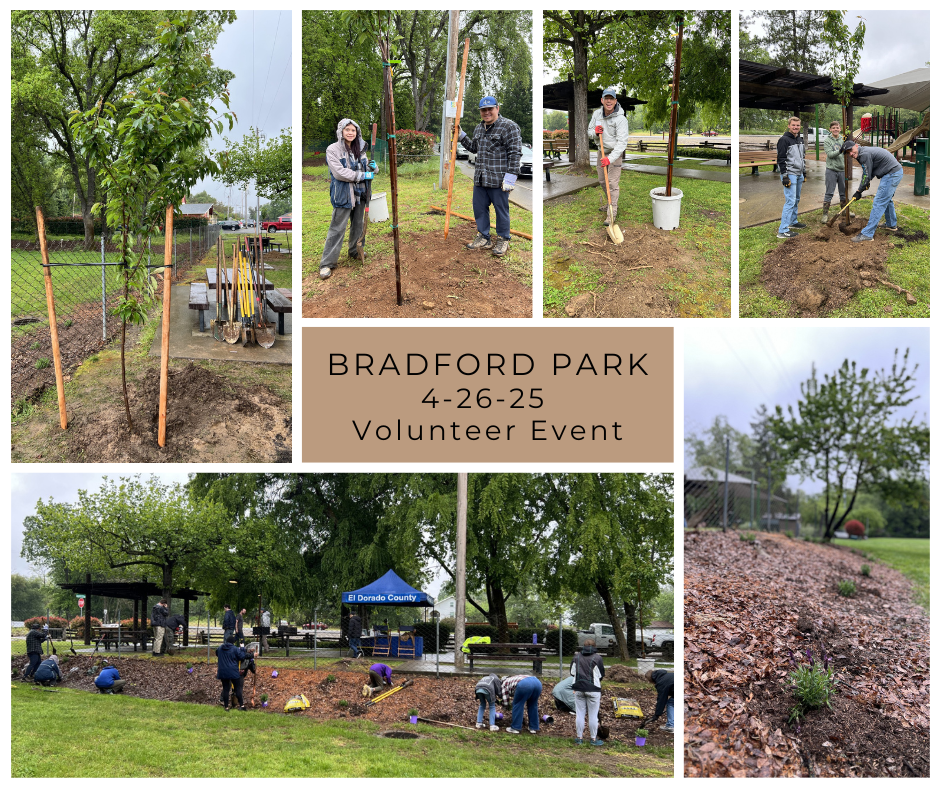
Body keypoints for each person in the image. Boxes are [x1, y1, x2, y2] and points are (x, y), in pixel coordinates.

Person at [457, 96, 522, 258]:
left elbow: (515, 153)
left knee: (501, 210)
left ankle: (503, 238)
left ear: (497, 109)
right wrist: (461, 135)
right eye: (483, 110)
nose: (487, 113)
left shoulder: (509, 127)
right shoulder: (479, 129)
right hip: (480, 178)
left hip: (499, 179)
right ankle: (484, 237)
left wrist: (510, 178)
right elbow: (473, 148)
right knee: (479, 209)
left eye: (490, 109)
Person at [320, 118, 377, 280]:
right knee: (337, 228)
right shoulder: (332, 150)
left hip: (362, 193)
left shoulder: (362, 148)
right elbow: (339, 173)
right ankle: (327, 263)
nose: (350, 133)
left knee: (358, 225)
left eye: (353, 130)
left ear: (357, 132)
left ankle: (355, 251)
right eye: (347, 130)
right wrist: (362, 175)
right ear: (341, 131)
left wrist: (374, 167)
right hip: (344, 194)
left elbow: (370, 168)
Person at [840, 140, 905, 241]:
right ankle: (891, 224)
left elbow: (866, 175)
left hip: (892, 174)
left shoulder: (864, 154)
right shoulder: (862, 152)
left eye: (851, 150)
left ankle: (867, 234)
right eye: (848, 153)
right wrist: (866, 182)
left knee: (879, 202)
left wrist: (858, 191)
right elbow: (870, 170)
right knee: (886, 199)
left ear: (856, 146)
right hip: (894, 172)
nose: (851, 154)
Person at [587, 87, 630, 227]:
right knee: (601, 181)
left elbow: (622, 143)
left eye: (611, 98)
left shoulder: (621, 119)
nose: (609, 101)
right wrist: (595, 132)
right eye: (606, 98)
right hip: (601, 152)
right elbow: (589, 132)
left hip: (614, 154)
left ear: (615, 101)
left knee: (611, 183)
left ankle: (612, 212)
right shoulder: (596, 114)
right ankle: (609, 202)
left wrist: (610, 159)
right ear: (602, 100)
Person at [570, 639, 606, 746]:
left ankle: (579, 738)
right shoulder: (598, 658)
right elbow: (601, 675)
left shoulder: (576, 657)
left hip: (579, 689)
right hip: (593, 690)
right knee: (593, 715)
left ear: (583, 646)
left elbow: (572, 673)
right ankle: (593, 739)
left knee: (580, 714)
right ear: (594, 646)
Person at [776, 116, 807, 239]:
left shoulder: (799, 139)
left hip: (799, 174)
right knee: (790, 201)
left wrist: (803, 172)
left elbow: (802, 157)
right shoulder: (784, 140)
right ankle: (782, 230)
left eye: (798, 125)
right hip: (790, 174)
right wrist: (785, 176)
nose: (796, 127)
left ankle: (793, 221)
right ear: (789, 126)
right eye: (793, 125)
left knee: (796, 199)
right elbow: (781, 159)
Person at [821, 121, 847, 222]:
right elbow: (830, 154)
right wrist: (841, 150)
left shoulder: (843, 139)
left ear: (840, 129)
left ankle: (844, 211)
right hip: (831, 170)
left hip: (842, 170)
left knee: (843, 192)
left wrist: (847, 143)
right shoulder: (827, 140)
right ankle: (825, 214)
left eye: (837, 128)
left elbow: (848, 151)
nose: (835, 129)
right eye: (833, 128)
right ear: (830, 129)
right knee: (829, 192)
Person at [216, 635, 250, 711]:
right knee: (237, 688)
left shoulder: (220, 648)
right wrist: (242, 649)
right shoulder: (234, 649)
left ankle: (226, 707)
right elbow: (241, 657)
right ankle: (241, 705)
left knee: (225, 689)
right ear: (233, 642)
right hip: (233, 671)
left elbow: (217, 653)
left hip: (222, 671)